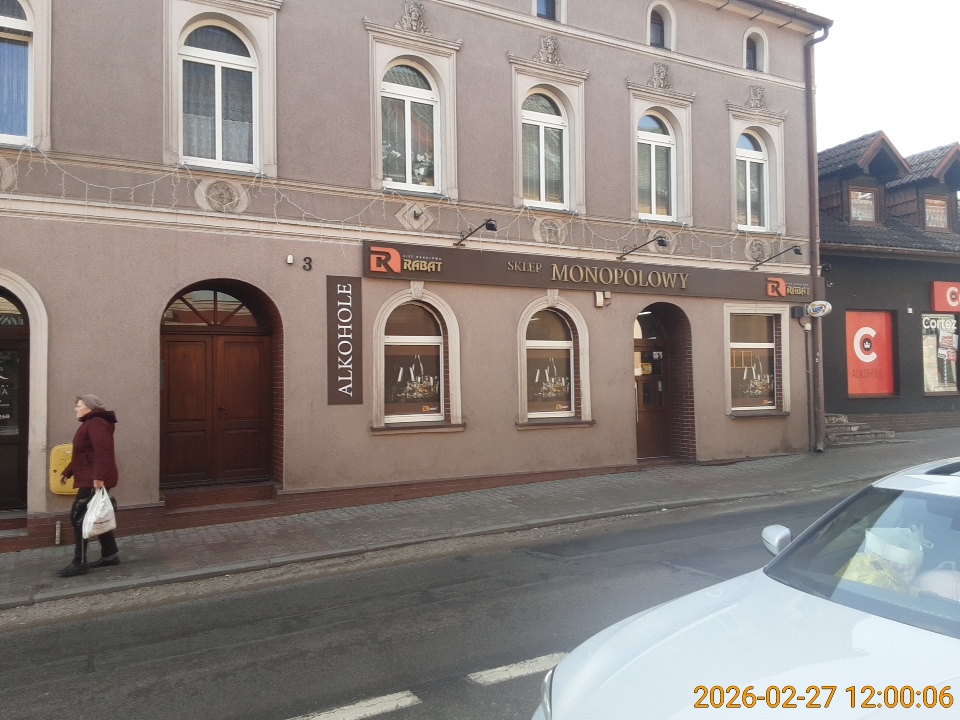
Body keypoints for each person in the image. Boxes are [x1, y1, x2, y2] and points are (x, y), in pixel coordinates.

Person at [57, 394, 120, 577]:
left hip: (94, 479)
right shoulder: (90, 423)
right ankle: (110, 555)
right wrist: (68, 471)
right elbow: (83, 453)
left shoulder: (96, 423)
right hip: (91, 477)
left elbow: (102, 451)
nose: (75, 409)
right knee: (96, 514)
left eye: (79, 405)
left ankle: (80, 562)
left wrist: (98, 477)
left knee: (79, 517)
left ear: (90, 407)